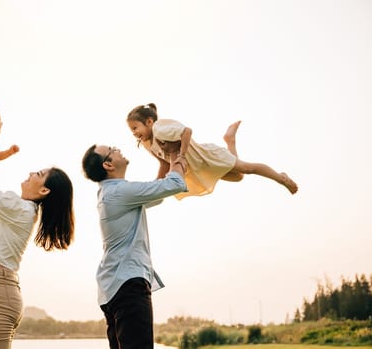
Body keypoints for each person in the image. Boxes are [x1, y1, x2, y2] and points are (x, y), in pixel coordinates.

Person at [0, 135, 75, 349]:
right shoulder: (22, 208)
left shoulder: (19, 207)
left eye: (38, 174)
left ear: (44, 190)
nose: (31, 173)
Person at [82, 144, 187, 349]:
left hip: (114, 286)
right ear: (108, 164)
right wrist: (179, 153)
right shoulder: (120, 192)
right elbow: (174, 183)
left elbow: (156, 192)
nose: (118, 148)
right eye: (112, 149)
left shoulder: (113, 193)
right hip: (127, 284)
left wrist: (164, 163)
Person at [126, 103, 298, 199]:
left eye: (135, 127)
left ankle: (280, 177)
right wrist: (156, 184)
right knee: (238, 177)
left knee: (246, 168)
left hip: (207, 157)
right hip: (200, 167)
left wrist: (182, 156)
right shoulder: (148, 144)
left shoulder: (160, 129)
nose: (134, 133)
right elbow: (163, 163)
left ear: (149, 121)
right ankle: (230, 140)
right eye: (131, 130)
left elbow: (186, 131)